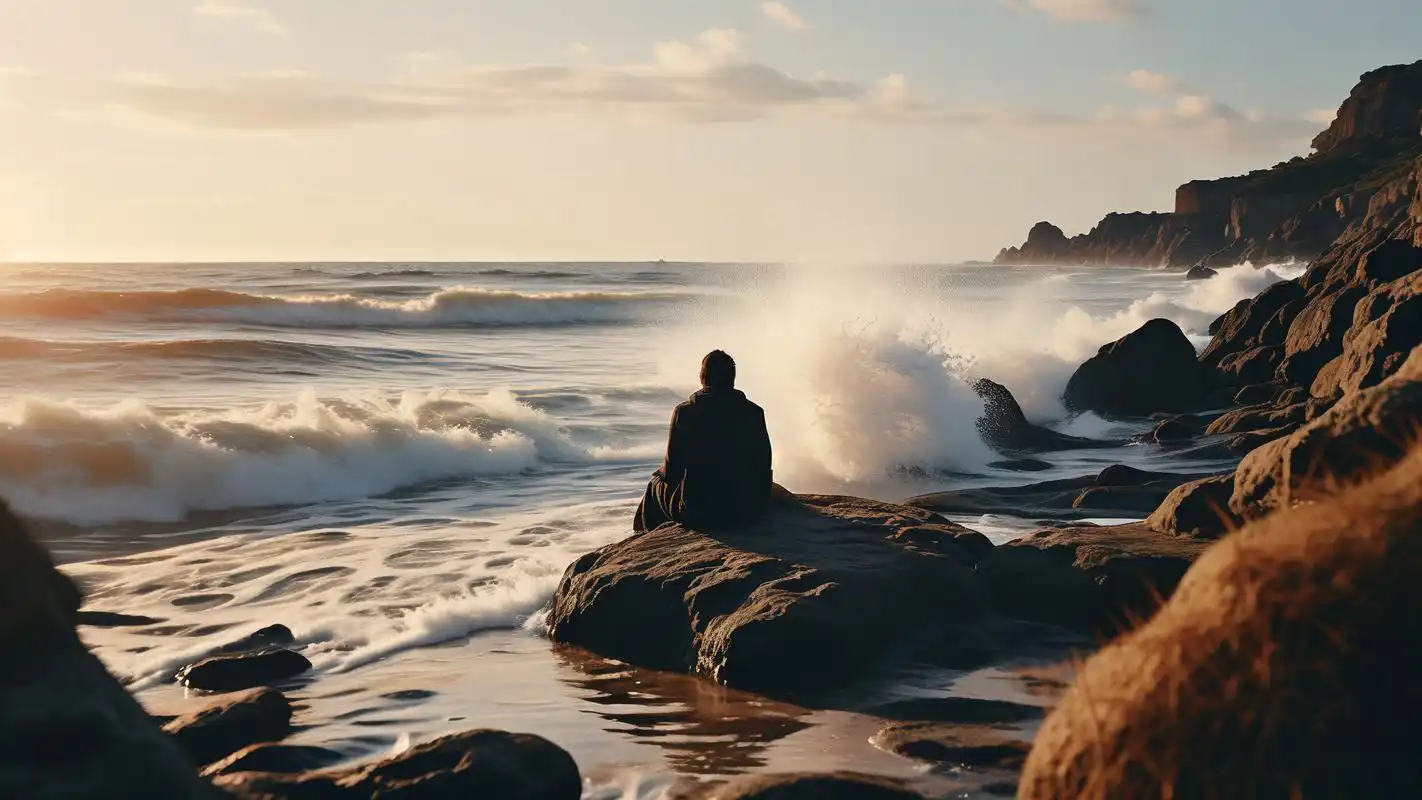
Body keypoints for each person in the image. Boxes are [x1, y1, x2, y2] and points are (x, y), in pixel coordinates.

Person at [634, 350, 773, 532]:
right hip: (748, 511)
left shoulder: (685, 412)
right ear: (732, 379)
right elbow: (764, 465)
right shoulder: (754, 412)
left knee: (655, 485)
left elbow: (672, 471)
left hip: (700, 513)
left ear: (703, 377)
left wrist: (660, 473)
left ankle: (642, 538)